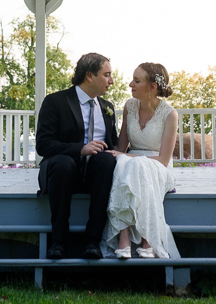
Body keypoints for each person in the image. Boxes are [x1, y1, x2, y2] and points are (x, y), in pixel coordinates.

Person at [36, 52, 119, 260]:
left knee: (107, 159)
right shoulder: (55, 102)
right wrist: (80, 149)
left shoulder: (107, 108)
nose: (112, 81)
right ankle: (58, 242)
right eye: (107, 74)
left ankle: (93, 241)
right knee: (63, 163)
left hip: (96, 176)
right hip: (63, 173)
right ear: (90, 76)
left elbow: (114, 144)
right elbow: (43, 145)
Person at [103, 62, 180, 259]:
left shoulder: (170, 114)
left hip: (157, 165)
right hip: (129, 163)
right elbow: (121, 146)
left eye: (137, 81)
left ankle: (149, 239)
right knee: (124, 163)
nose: (131, 84)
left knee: (135, 164)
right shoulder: (130, 106)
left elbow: (163, 160)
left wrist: (127, 156)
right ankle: (124, 236)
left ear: (152, 87)